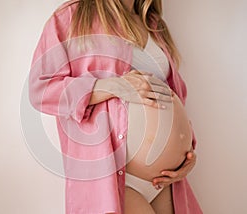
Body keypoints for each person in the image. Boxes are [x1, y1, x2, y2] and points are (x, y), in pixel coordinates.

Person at [28, 0, 202, 213]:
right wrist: (112, 86)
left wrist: (186, 152)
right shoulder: (73, 15)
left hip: (166, 181)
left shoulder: (153, 23)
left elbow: (175, 94)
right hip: (114, 176)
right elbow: (41, 88)